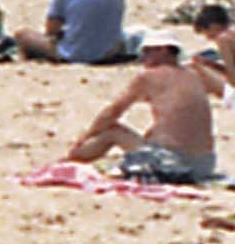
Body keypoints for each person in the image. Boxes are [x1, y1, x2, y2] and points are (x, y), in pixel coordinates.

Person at [67, 30, 217, 181]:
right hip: (205, 165)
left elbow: (112, 112)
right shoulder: (193, 75)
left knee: (113, 131)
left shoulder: (149, 76)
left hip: (171, 164)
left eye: (147, 52)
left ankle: (73, 158)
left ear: (163, 50)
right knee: (153, 133)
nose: (143, 58)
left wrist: (86, 136)